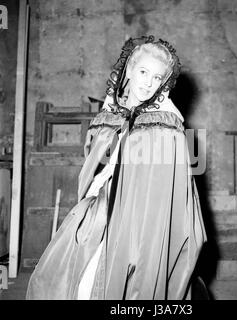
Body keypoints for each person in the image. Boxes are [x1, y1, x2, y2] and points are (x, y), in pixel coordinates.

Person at [26, 35, 207, 300]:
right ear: (129, 71)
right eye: (144, 72)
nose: (149, 82)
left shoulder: (167, 124)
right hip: (102, 205)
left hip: (142, 216)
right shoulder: (111, 113)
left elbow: (171, 186)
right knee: (67, 273)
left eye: (158, 78)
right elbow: (95, 161)